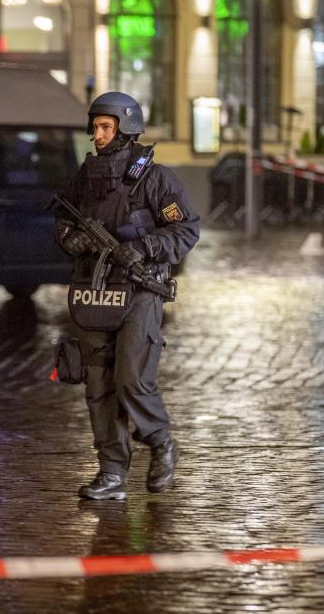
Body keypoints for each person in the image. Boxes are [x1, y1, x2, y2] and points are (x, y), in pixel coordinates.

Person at [55, 92, 200, 500]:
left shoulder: (155, 178)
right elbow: (61, 221)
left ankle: (160, 442)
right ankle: (112, 473)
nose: (98, 135)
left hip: (139, 291)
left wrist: (148, 248)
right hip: (95, 292)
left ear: (126, 128)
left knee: (131, 380)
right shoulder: (84, 178)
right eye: (96, 127)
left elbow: (186, 230)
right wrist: (72, 239)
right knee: (98, 385)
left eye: (106, 127)